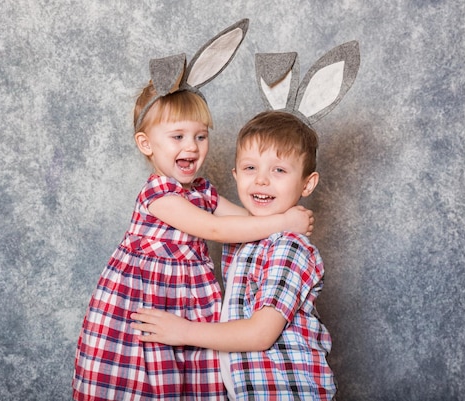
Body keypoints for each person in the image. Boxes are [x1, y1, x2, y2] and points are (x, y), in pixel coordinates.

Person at [72, 82, 315, 399]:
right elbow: (215, 229)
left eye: (201, 136)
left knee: (185, 382)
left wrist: (281, 221)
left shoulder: (201, 190)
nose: (192, 146)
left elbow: (247, 220)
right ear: (146, 144)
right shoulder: (158, 193)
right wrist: (283, 221)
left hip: (190, 304)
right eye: (178, 137)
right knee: (141, 382)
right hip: (145, 302)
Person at [131, 110, 336, 400]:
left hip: (288, 391)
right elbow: (224, 226)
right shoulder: (251, 239)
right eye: (250, 168)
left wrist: (185, 332)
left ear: (307, 183)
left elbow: (260, 334)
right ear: (236, 175)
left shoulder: (289, 248)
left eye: (278, 170)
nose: (262, 180)